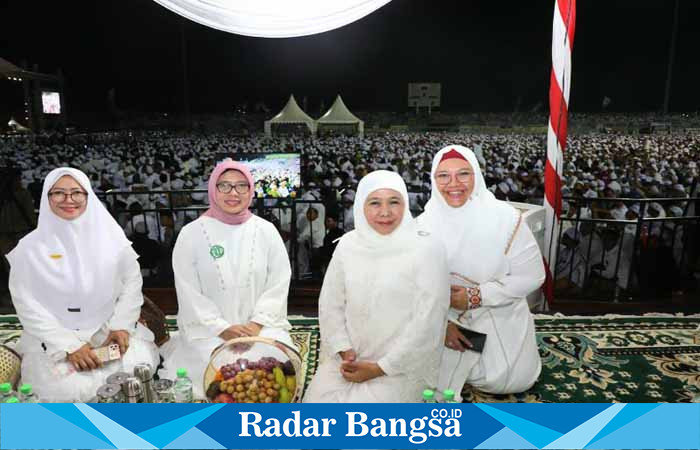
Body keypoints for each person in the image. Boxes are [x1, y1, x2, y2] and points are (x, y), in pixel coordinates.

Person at [6, 167, 159, 402]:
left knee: (137, 369)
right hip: (54, 339)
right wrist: (68, 346)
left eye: (77, 192)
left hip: (107, 330)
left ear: (88, 196)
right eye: (58, 193)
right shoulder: (29, 249)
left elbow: (131, 283)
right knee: (63, 388)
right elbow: (26, 303)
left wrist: (120, 326)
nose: (68, 200)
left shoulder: (112, 239)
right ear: (47, 197)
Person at [304, 170, 449, 403]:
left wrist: (380, 367)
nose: (385, 212)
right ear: (361, 204)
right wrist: (343, 348)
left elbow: (429, 319)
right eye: (374, 203)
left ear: (405, 204)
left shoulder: (428, 249)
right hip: (349, 357)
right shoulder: (349, 244)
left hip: (401, 364)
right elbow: (331, 302)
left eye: (394, 202)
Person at [417, 145, 545, 399]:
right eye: (443, 176)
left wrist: (476, 296)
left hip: (496, 311)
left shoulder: (505, 219)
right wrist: (440, 324)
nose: (453, 184)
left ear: (476, 175)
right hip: (443, 315)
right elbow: (412, 287)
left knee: (507, 381)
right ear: (433, 179)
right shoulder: (421, 225)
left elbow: (532, 275)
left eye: (463, 174)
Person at [161, 160, 294, 399]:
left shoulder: (266, 231)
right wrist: (222, 328)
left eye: (241, 186)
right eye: (225, 186)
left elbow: (279, 281)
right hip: (210, 332)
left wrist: (255, 325)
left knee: (276, 365)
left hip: (262, 328)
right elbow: (188, 290)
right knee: (216, 370)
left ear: (251, 190)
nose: (233, 193)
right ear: (213, 189)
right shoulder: (191, 234)